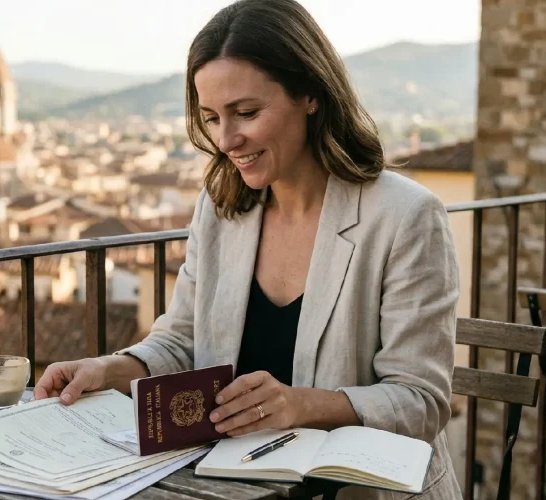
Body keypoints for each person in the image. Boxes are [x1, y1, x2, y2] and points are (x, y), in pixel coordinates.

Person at [33, 0, 461, 497]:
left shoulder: (406, 216)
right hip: (233, 486)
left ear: (310, 94)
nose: (227, 140)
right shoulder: (220, 209)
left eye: (247, 113)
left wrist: (301, 404)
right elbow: (181, 343)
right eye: (211, 117)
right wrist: (108, 370)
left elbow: (421, 402)